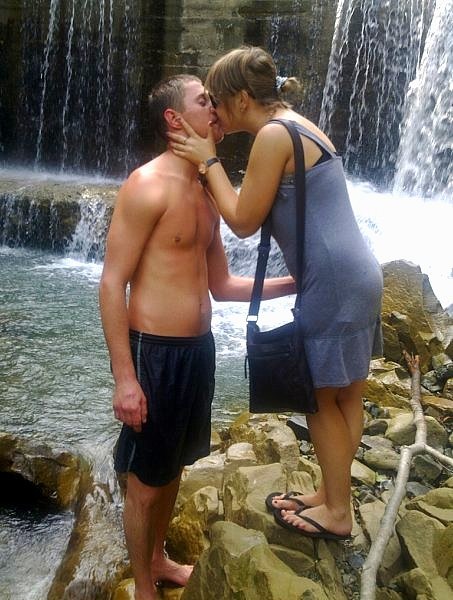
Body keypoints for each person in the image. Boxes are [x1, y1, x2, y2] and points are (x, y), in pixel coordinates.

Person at [168, 46, 383, 541]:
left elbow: (243, 221)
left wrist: (208, 162)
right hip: (359, 274)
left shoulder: (271, 135)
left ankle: (337, 513)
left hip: (331, 282)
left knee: (319, 399)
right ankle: (332, 494)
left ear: (242, 98)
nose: (214, 112)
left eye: (217, 101)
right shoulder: (300, 125)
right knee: (348, 394)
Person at [99, 73, 296, 600]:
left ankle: (158, 559)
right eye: (204, 100)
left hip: (197, 352)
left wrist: (296, 281)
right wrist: (125, 379)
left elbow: (223, 286)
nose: (216, 108)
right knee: (144, 483)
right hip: (154, 353)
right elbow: (112, 283)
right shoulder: (146, 186)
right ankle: (144, 588)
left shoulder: (208, 191)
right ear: (174, 118)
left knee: (172, 471)